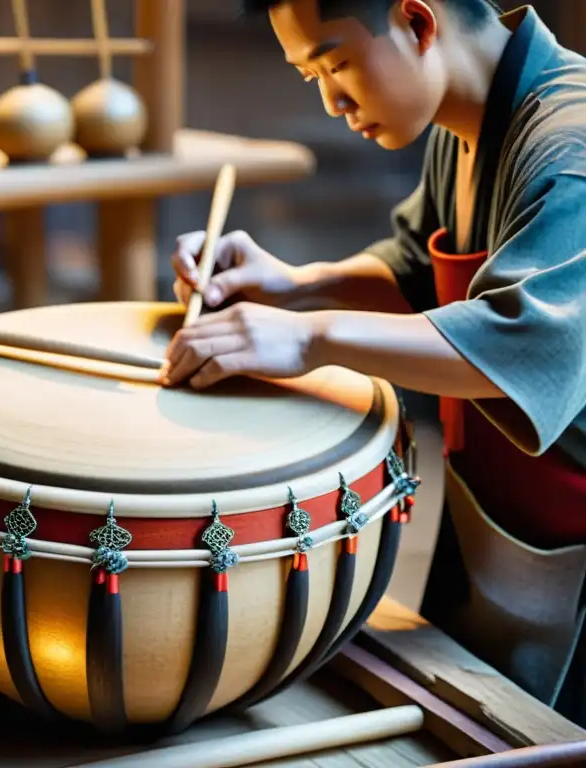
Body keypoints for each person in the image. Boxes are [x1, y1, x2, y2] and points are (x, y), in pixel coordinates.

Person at [164, 0, 586, 726]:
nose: (332, 101)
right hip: (498, 515)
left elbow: (522, 343)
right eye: (312, 77)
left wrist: (306, 338)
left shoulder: (571, 147)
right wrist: (297, 285)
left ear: (418, 23)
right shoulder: (470, 117)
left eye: (335, 65)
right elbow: (420, 270)